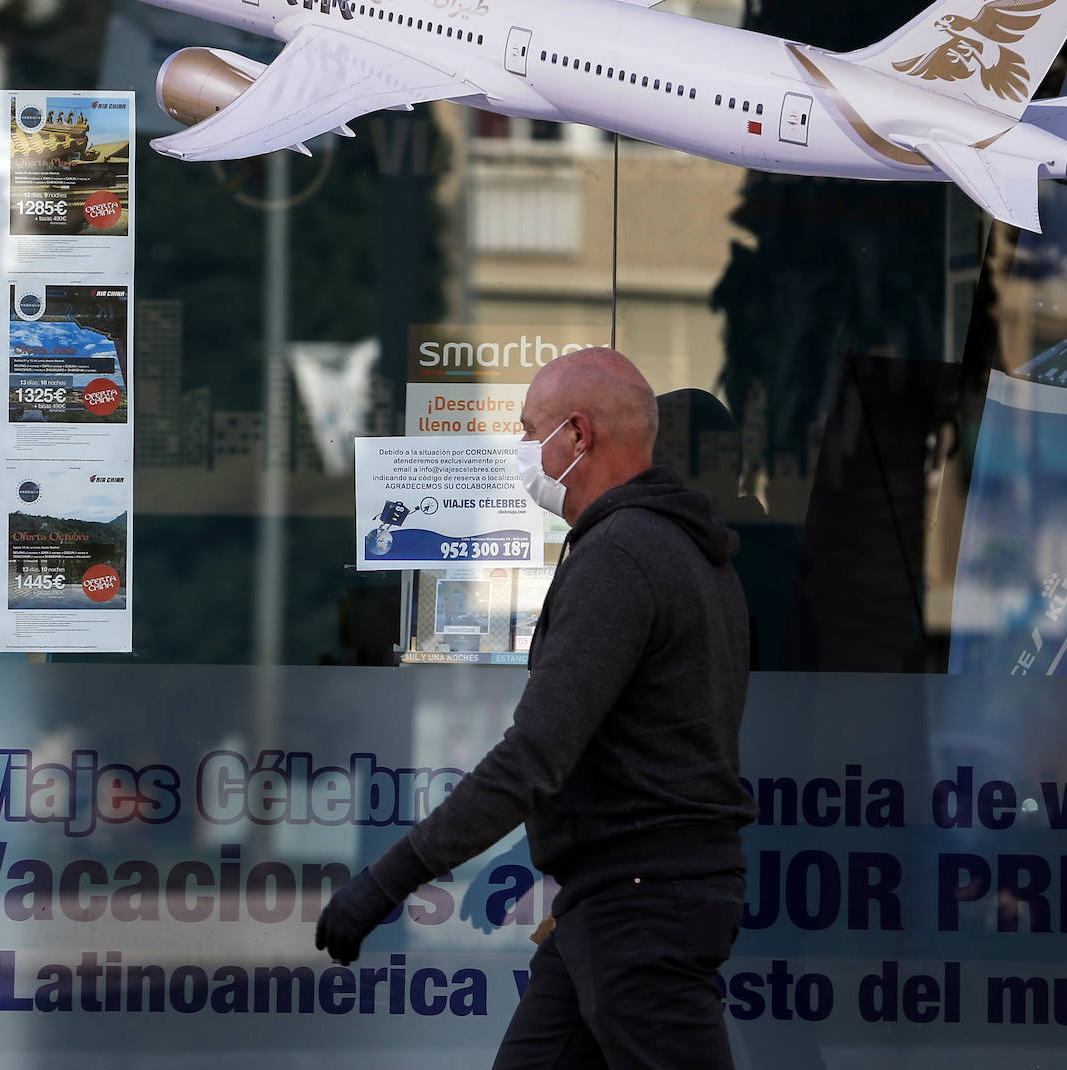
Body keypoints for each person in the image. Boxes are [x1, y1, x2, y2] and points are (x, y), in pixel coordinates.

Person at [315, 346, 757, 1068]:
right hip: (619, 898)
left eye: (529, 430)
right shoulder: (686, 552)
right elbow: (632, 747)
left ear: (577, 436)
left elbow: (535, 753)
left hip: (641, 908)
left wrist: (384, 882)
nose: (522, 450)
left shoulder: (622, 556)